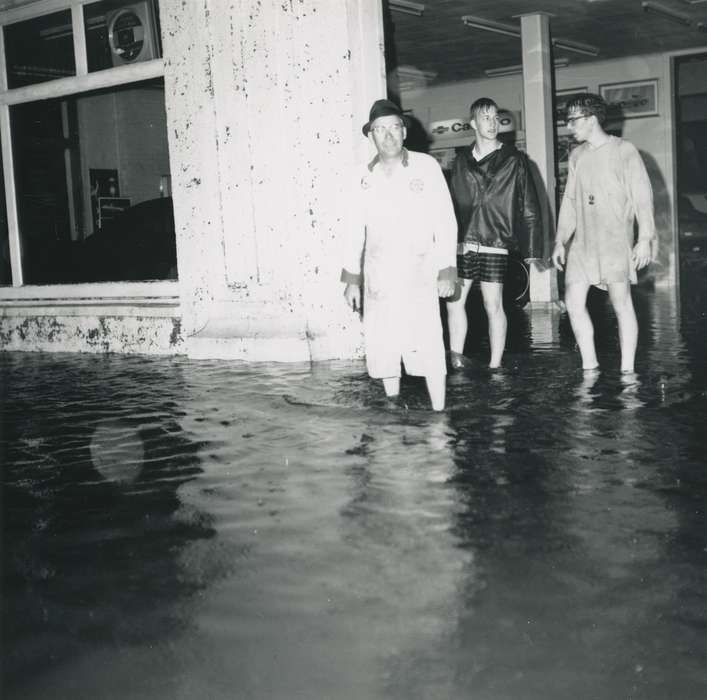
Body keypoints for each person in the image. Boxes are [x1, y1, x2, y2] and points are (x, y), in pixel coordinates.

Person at [341, 99, 457, 411]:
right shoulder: (360, 177)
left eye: (394, 127)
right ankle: (393, 407)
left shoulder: (426, 167)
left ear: (404, 132)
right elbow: (354, 230)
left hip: (420, 273)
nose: (388, 135)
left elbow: (445, 221)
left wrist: (447, 270)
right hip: (379, 276)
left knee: (428, 342)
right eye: (380, 130)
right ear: (371, 136)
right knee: (384, 344)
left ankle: (439, 414)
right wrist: (352, 279)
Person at [551, 93, 657, 374]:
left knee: (621, 303)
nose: (569, 126)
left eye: (572, 120)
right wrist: (560, 240)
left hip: (613, 240)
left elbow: (642, 198)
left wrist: (644, 239)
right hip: (583, 243)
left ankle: (627, 371)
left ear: (591, 119)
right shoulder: (576, 155)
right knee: (573, 303)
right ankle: (590, 365)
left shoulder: (624, 151)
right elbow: (570, 202)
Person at [445, 97, 542, 369]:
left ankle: (495, 364)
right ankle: (456, 359)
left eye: (495, 118)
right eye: (485, 118)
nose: (492, 123)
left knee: (493, 304)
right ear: (473, 123)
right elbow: (449, 204)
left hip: (495, 241)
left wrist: (533, 250)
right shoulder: (461, 160)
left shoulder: (515, 159)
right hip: (462, 242)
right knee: (454, 304)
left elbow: (530, 205)